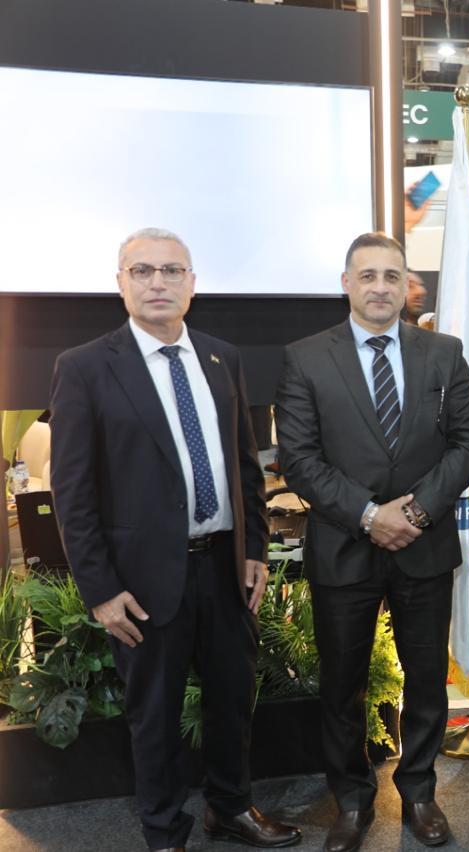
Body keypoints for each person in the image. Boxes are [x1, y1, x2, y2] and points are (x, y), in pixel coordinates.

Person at [49, 227, 301, 852]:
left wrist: (253, 550)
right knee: (154, 714)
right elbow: (73, 493)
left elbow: (245, 467)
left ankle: (230, 808)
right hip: (141, 581)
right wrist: (100, 590)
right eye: (142, 271)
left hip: (224, 567)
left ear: (192, 283)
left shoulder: (221, 357)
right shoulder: (85, 367)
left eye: (171, 270)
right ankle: (164, 831)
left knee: (232, 699)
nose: (157, 282)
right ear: (121, 284)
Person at [274, 232, 469, 852]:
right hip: (345, 547)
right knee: (343, 684)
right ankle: (352, 798)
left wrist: (414, 511)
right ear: (346, 284)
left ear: (406, 285)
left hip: (423, 543)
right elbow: (299, 459)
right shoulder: (306, 358)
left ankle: (418, 791)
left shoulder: (443, 352)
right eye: (367, 275)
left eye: (392, 276)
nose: (380, 287)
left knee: (427, 678)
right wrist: (369, 516)